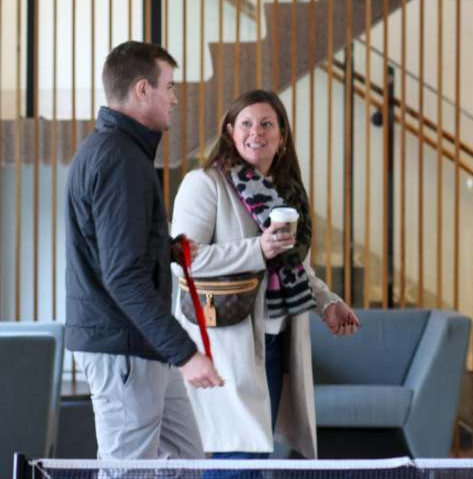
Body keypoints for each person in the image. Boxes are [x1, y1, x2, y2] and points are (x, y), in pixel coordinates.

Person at [170, 89, 360, 463]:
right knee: (235, 459)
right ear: (229, 132)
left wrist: (328, 304)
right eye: (246, 123)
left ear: (282, 137)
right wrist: (257, 250)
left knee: (255, 458)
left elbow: (294, 267)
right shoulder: (205, 183)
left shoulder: (285, 193)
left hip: (275, 342)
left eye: (266, 124)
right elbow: (183, 259)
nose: (256, 132)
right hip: (225, 342)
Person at [65, 41, 224, 461]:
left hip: (141, 344)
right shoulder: (120, 160)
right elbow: (122, 275)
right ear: (142, 90)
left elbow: (115, 250)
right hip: (124, 345)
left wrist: (164, 248)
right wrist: (186, 353)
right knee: (128, 470)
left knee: (187, 459)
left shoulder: (119, 152)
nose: (174, 98)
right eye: (169, 86)